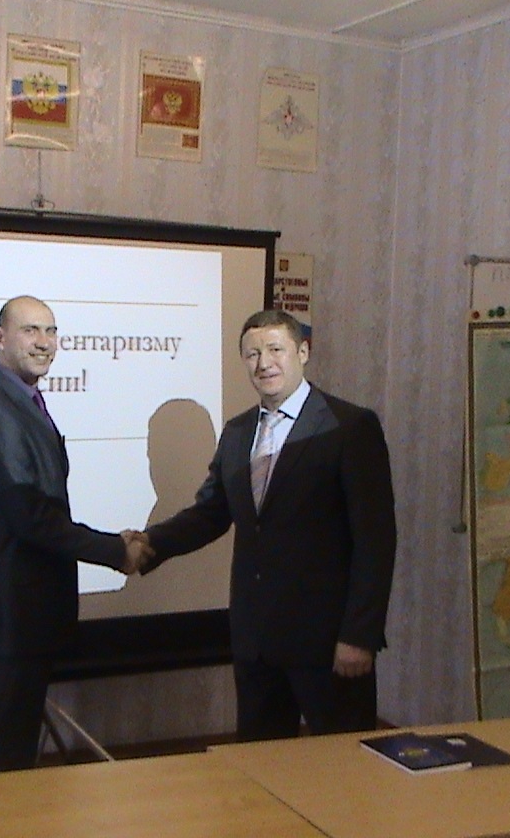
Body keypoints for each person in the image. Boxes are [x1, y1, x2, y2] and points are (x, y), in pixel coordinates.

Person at [140, 308, 396, 741]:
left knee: (346, 769)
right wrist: (146, 544)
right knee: (259, 768)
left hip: (328, 644)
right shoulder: (238, 432)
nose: (264, 363)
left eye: (276, 350)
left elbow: (376, 540)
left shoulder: (350, 427)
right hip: (256, 644)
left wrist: (360, 635)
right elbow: (211, 513)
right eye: (252, 354)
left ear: (303, 352)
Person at [0, 295, 151, 773]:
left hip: (27, 614)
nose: (44, 342)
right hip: (10, 617)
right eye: (30, 330)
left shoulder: (22, 402)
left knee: (14, 758)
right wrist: (115, 550)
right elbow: (32, 518)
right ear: (0, 339)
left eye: (51, 331)